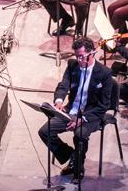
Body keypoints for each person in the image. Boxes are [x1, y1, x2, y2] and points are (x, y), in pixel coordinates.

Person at [38, 36, 115, 180]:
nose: (79, 60)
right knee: (44, 131)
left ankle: (78, 168)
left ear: (91, 53)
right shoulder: (73, 65)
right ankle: (71, 155)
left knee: (79, 135)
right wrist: (59, 101)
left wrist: (83, 119)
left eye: (82, 57)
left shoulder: (104, 73)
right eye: (77, 56)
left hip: (91, 115)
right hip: (71, 111)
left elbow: (103, 105)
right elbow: (63, 85)